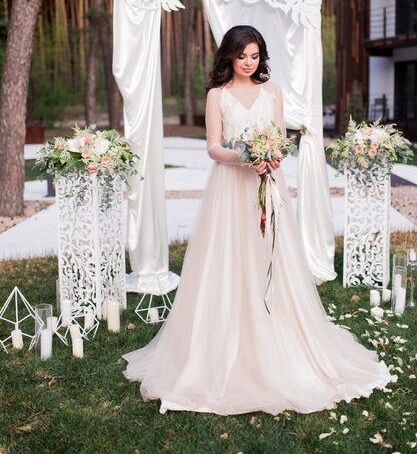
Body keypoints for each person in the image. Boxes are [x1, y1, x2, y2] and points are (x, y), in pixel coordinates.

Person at [123, 25, 390, 416]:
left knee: (272, 255)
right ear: (229, 57)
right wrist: (244, 155)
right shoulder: (218, 96)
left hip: (269, 183)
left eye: (255, 55)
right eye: (242, 56)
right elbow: (213, 148)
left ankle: (278, 335)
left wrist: (273, 156)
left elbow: (279, 138)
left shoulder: (273, 91)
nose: (250, 63)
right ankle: (227, 342)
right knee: (230, 257)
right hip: (231, 188)